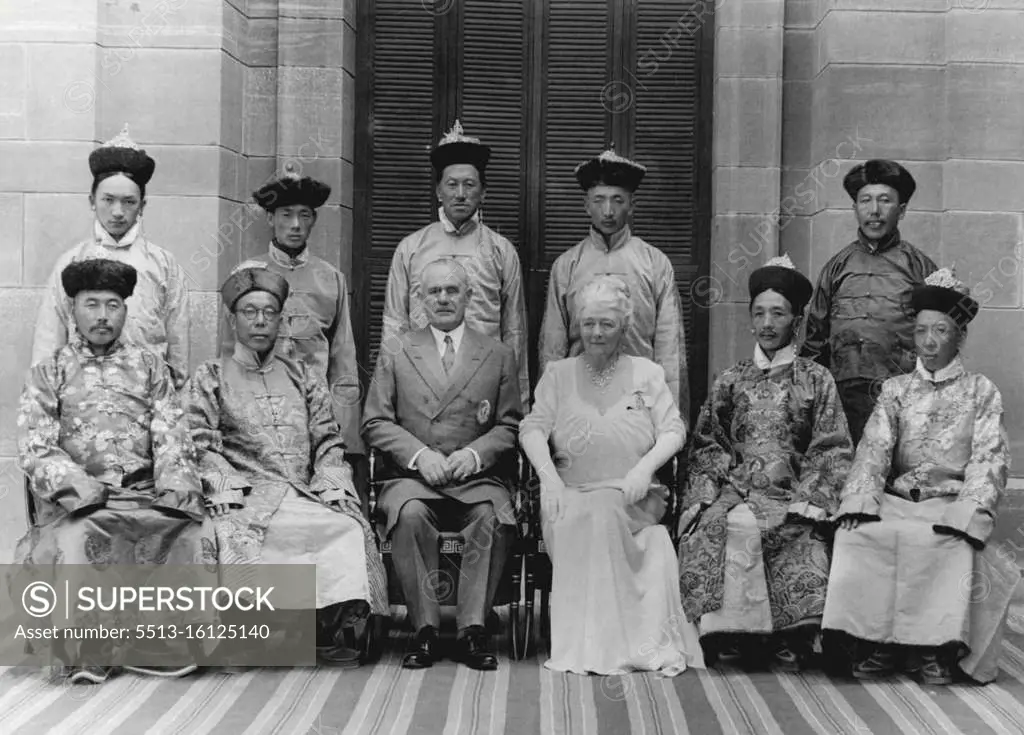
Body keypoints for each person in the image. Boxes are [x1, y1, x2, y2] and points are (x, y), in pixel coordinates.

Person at [16, 258, 214, 685]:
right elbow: (35, 446)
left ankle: (164, 646)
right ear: (73, 310)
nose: (103, 316)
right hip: (81, 501)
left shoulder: (151, 368)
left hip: (144, 492)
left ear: (126, 310)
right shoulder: (48, 371)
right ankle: (88, 653)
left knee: (189, 533)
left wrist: (175, 489)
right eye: (92, 304)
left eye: (113, 305)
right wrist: (84, 490)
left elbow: (171, 433)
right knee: (82, 538)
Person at [822, 267, 1022, 685]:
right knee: (857, 534)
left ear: (959, 336)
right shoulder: (896, 390)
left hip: (949, 500)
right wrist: (860, 501)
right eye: (922, 332)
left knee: (948, 542)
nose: (930, 342)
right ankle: (875, 643)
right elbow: (874, 449)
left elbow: (990, 458)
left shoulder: (980, 391)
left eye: (942, 331)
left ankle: (937, 649)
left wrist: (970, 512)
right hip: (899, 499)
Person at [187, 262, 387, 667]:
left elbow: (328, 437)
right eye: (250, 312)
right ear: (233, 319)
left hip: (304, 491)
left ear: (279, 319)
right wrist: (222, 484)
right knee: (232, 534)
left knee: (347, 526)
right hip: (246, 496)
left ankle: (332, 629)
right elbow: (196, 439)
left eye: (269, 313)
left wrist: (332, 484)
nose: (260, 321)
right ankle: (249, 637)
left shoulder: (303, 375)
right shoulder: (211, 376)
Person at [677, 255, 854, 671]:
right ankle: (729, 635)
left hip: (791, 490)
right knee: (720, 527)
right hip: (736, 490)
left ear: (796, 319)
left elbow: (832, 446)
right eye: (759, 313)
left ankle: (788, 636)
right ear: (750, 320)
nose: (768, 323)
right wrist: (710, 492)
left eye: (778, 313)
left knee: (794, 530)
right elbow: (707, 443)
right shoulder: (731, 378)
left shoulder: (816, 378)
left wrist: (811, 495)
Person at [520, 275, 702, 676]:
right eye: (588, 323)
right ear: (577, 325)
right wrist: (548, 478)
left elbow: (674, 430)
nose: (597, 333)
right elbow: (532, 428)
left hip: (634, 494)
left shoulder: (647, 373)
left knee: (603, 507)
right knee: (585, 511)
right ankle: (592, 647)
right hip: (567, 495)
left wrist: (644, 467)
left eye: (606, 324)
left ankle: (608, 649)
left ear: (624, 326)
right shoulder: (559, 374)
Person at [363, 258, 522, 671]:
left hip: (476, 476)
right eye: (434, 291)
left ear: (470, 296)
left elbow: (510, 424)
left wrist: (474, 455)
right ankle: (425, 630)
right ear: (420, 299)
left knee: (494, 516)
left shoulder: (498, 353)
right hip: (414, 477)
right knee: (411, 515)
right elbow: (375, 421)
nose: (444, 299)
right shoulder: (397, 350)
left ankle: (472, 631)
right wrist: (420, 455)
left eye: (453, 290)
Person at [32, 124, 191, 391]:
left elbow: (179, 349)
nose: (118, 212)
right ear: (92, 201)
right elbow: (48, 344)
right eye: (108, 200)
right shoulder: (71, 262)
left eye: (128, 202)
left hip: (148, 398)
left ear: (143, 205)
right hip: (82, 398)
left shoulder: (164, 265)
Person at [382, 120, 529, 406]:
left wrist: (517, 402)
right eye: (452, 185)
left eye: (469, 185)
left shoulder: (501, 251)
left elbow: (514, 331)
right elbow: (394, 324)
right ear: (439, 191)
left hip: (483, 383)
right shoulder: (411, 248)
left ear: (483, 193)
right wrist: (388, 395)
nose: (460, 194)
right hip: (422, 383)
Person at [247, 167, 367, 510]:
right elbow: (232, 356)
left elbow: (343, 357)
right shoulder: (248, 274)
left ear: (314, 220)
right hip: (259, 414)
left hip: (315, 417)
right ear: (270, 218)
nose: (295, 225)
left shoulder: (331, 279)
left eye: (304, 215)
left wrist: (343, 435)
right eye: (286, 215)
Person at [539, 147, 689, 415]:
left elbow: (669, 346)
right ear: (586, 205)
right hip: (579, 395)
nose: (608, 211)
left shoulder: (654, 263)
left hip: (639, 395)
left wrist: (671, 419)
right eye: (599, 200)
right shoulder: (566, 265)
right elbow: (553, 343)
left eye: (617, 200)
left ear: (632, 205)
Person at [801, 159, 936, 445]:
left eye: (885, 201)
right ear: (855, 208)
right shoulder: (836, 267)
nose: (874, 211)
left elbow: (940, 336)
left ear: (901, 210)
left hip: (901, 397)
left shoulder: (920, 267)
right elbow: (814, 341)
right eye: (866, 201)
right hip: (842, 400)